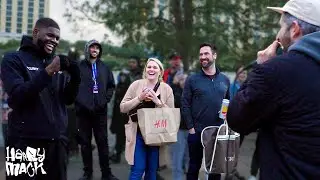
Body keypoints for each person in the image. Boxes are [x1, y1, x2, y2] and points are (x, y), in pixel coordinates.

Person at [227, 0, 320, 179]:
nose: (277, 35)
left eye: (281, 27)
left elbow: (237, 119)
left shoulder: (275, 71)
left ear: (294, 29)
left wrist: (260, 68)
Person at [0, 17, 81, 180]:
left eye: (57, 38)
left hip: (56, 143)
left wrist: (76, 76)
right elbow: (17, 95)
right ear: (36, 32)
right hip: (24, 143)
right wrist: (48, 71)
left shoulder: (56, 62)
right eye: (50, 35)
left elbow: (67, 100)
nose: (54, 41)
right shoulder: (13, 59)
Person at [181, 43, 230, 180]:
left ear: (214, 55)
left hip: (216, 132)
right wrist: (191, 128)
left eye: (206, 54)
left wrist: (225, 121)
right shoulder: (192, 80)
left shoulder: (225, 80)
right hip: (197, 132)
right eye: (201, 54)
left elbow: (227, 102)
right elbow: (185, 105)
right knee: (193, 167)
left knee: (215, 169)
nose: (203, 57)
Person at [120, 58, 174, 180]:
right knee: (137, 170)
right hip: (137, 133)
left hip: (156, 136)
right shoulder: (136, 85)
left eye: (155, 67)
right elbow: (122, 107)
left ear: (160, 71)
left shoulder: (166, 89)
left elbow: (171, 115)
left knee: (151, 172)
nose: (151, 69)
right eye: (149, 67)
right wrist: (139, 98)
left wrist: (158, 101)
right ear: (145, 70)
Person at [75, 39, 117, 180]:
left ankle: (106, 173)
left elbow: (111, 85)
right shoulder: (78, 67)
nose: (95, 50)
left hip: (100, 111)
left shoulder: (104, 67)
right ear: (87, 49)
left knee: (102, 142)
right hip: (83, 112)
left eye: (97, 48)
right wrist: (80, 102)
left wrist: (105, 100)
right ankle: (88, 173)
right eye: (92, 47)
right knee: (85, 144)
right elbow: (71, 86)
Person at [169, 73, 189, 180]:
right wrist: (174, 84)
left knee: (189, 156)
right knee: (178, 156)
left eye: (186, 79)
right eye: (181, 79)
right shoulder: (175, 92)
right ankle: (177, 178)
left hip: (191, 130)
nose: (184, 81)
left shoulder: (194, 92)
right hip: (178, 129)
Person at [110, 71, 131, 163]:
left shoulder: (129, 87)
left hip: (126, 116)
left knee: (125, 137)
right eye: (121, 76)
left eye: (124, 76)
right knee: (120, 136)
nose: (122, 78)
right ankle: (117, 154)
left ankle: (119, 154)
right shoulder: (118, 86)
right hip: (118, 115)